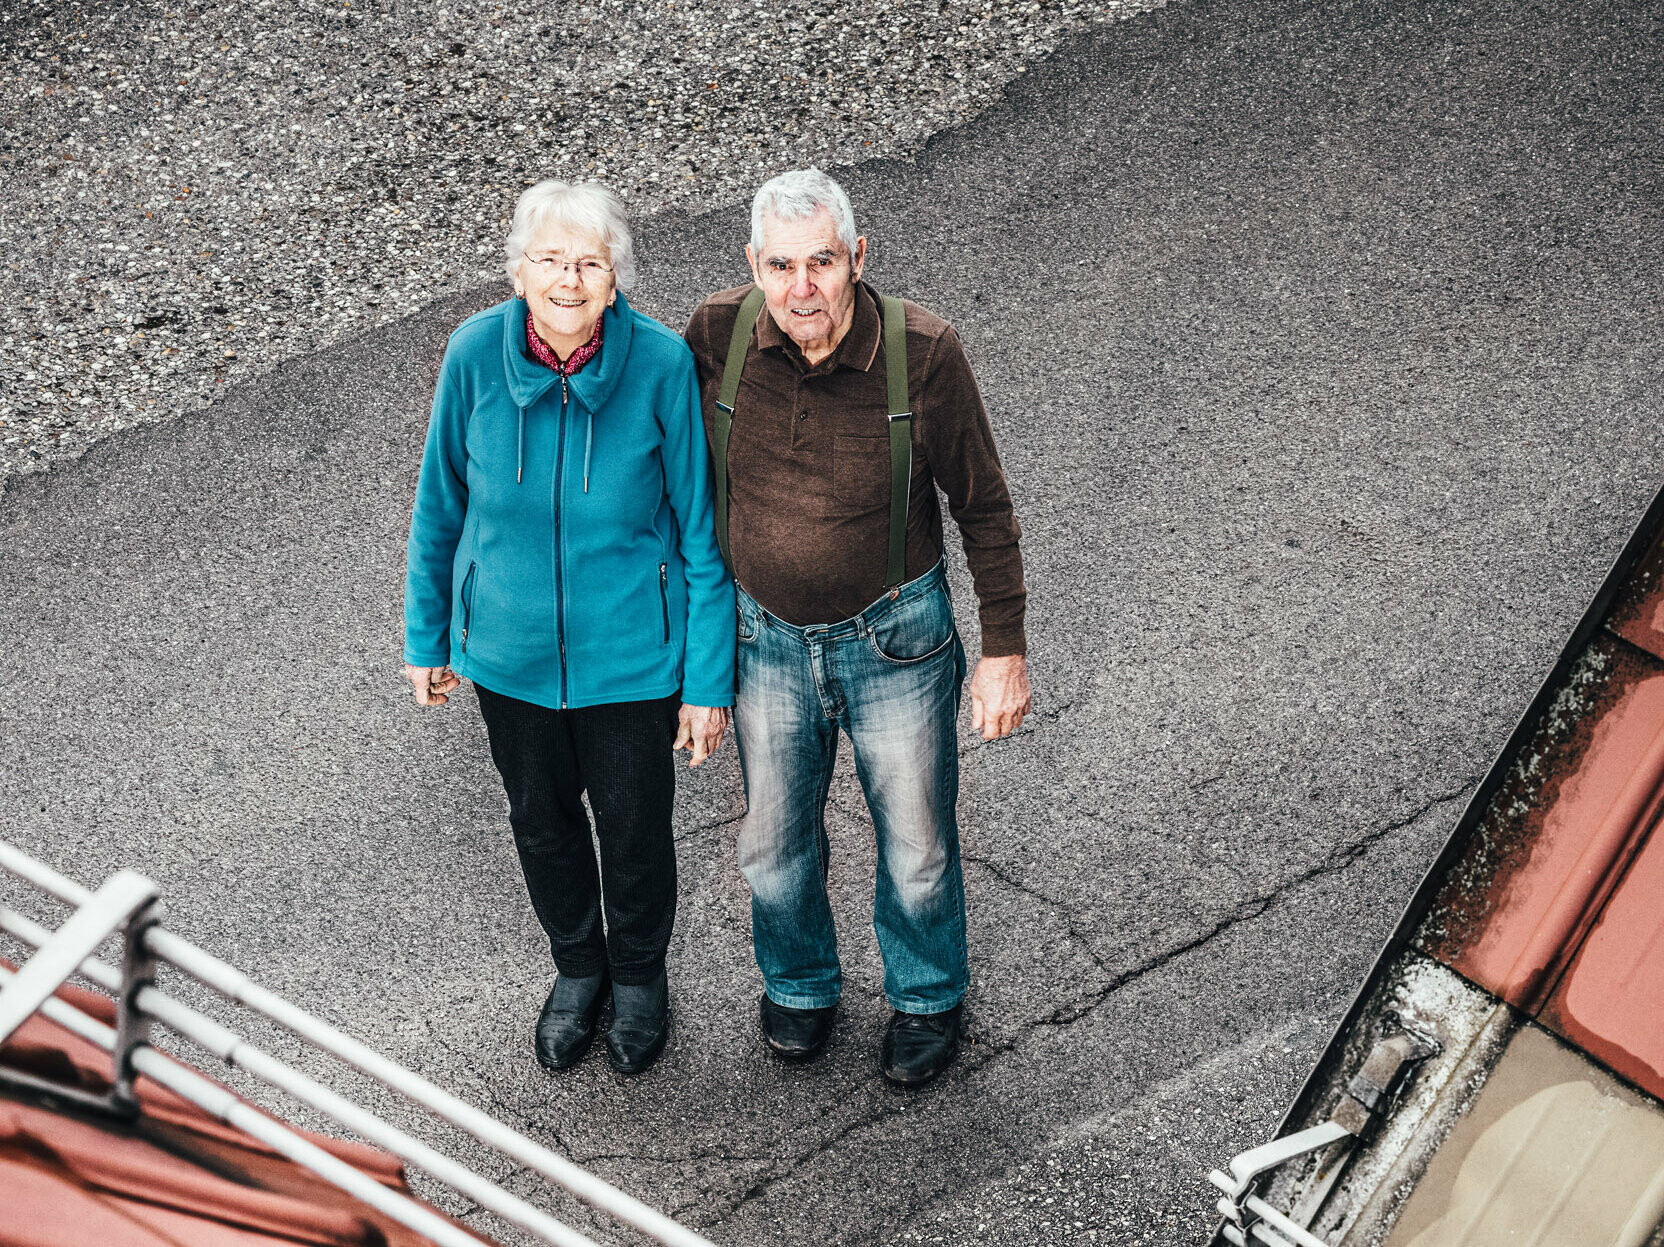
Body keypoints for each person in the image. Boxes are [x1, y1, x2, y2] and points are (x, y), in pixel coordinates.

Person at [684, 168, 1032, 1086]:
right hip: (762, 641)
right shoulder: (714, 336)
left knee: (916, 844)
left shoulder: (925, 353)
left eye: (824, 263)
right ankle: (799, 983)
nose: (804, 287)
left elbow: (983, 508)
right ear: (753, 266)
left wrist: (1004, 649)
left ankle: (925, 995)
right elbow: (671, 488)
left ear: (858, 259)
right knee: (770, 843)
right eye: (783, 265)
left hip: (896, 642)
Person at [403, 180, 734, 1077]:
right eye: (550, 260)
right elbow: (440, 506)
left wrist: (708, 682)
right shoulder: (471, 354)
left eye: (589, 262)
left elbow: (703, 533)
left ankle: (637, 978)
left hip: (631, 660)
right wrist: (426, 636)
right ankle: (577, 967)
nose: (568, 278)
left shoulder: (662, 364)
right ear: (518, 271)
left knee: (634, 827)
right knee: (539, 822)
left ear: (615, 279)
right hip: (507, 658)